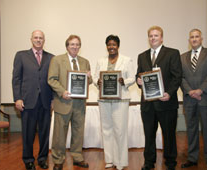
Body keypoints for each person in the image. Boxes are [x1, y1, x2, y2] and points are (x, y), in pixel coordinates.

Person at [136, 26, 182, 170]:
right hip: (148, 105)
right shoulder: (142, 56)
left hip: (166, 102)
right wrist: (138, 80)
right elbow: (139, 75)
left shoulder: (172, 53)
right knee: (149, 135)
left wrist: (169, 92)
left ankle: (170, 162)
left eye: (156, 35)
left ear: (161, 38)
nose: (153, 38)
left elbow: (177, 76)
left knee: (168, 135)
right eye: (150, 36)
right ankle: (149, 162)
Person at [48, 35, 92, 170]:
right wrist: (62, 91)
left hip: (79, 104)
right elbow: (51, 79)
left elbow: (87, 82)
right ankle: (58, 160)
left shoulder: (85, 61)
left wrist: (89, 78)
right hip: (63, 102)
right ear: (67, 46)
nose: (75, 47)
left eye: (77, 44)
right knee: (59, 134)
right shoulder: (57, 60)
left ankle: (77, 157)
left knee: (78, 132)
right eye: (72, 44)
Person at [12, 30, 53, 170]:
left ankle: (42, 159)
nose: (38, 40)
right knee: (28, 133)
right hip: (28, 101)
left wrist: (53, 99)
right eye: (36, 37)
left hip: (46, 102)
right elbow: (16, 79)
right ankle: (28, 159)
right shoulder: (21, 55)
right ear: (31, 39)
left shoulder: (51, 57)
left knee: (44, 133)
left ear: (44, 40)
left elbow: (53, 80)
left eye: (41, 38)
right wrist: (17, 98)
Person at [93, 35, 135, 170]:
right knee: (106, 130)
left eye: (114, 44)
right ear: (106, 46)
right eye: (109, 44)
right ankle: (109, 160)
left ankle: (121, 161)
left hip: (121, 99)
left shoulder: (127, 60)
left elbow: (132, 77)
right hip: (104, 99)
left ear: (118, 46)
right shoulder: (101, 61)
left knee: (120, 130)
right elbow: (95, 77)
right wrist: (97, 82)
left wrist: (125, 81)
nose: (111, 47)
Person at [180, 29, 207, 170]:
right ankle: (192, 158)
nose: (194, 39)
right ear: (189, 40)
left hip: (206, 98)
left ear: (201, 39)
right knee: (191, 129)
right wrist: (190, 91)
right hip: (189, 99)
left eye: (197, 36)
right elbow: (181, 77)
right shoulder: (182, 57)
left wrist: (200, 90)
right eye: (192, 37)